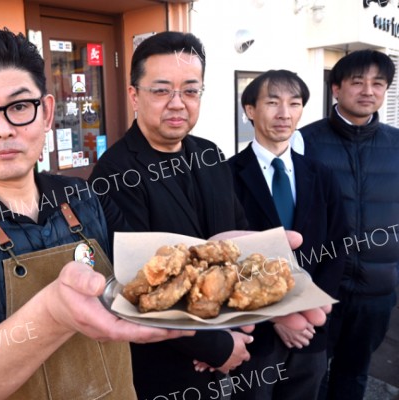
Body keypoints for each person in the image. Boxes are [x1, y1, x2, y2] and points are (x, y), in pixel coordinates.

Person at [0, 27, 194, 400]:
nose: (3, 131)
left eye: (19, 107)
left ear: (46, 112)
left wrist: (208, 256)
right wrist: (52, 316)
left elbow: (147, 276)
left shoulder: (84, 195)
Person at [89, 31, 330, 400]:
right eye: (161, 90)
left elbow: (237, 239)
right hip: (166, 366)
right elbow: (132, 286)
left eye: (190, 90)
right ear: (134, 95)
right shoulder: (113, 173)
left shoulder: (210, 154)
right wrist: (214, 346)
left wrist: (269, 303)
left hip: (232, 351)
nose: (177, 103)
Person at [227, 70, 347, 400]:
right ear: (250, 110)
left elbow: (338, 246)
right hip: (258, 334)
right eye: (272, 102)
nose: (284, 113)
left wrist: (307, 312)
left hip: (311, 330)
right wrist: (275, 317)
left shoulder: (320, 175)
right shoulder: (225, 176)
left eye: (294, 104)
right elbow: (227, 257)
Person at [299, 49, 399, 400]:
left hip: (377, 291)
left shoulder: (396, 144)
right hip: (322, 289)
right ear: (336, 89)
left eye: (378, 83)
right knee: (307, 373)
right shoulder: (304, 142)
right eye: (358, 82)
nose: (368, 91)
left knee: (354, 375)